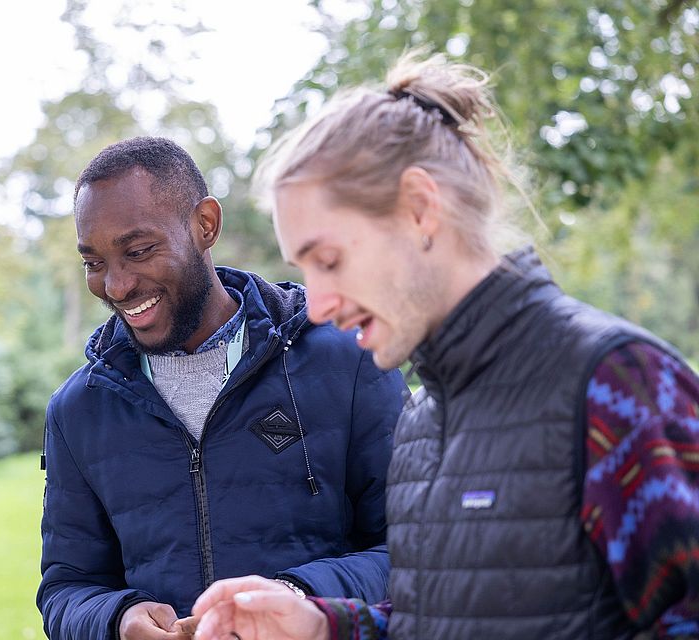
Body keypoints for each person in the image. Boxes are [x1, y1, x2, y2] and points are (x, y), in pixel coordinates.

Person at [191, 51, 699, 640]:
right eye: (304, 270)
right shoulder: (420, 423)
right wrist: (325, 626)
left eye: (329, 261)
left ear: (420, 208)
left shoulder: (617, 384)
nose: (318, 304)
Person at [36, 136, 408, 640]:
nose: (117, 286)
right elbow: (67, 588)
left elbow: (417, 549)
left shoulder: (350, 360)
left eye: (139, 251)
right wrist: (117, 619)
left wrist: (296, 600)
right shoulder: (77, 411)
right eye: (94, 263)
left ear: (205, 224)